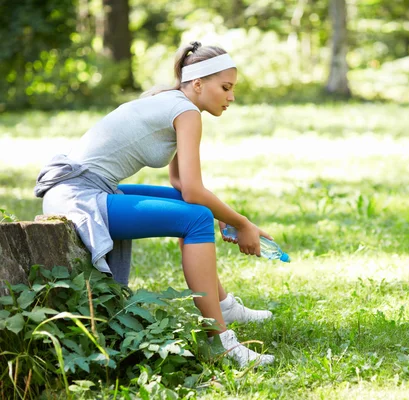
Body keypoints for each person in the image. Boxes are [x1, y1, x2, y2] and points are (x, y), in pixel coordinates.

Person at [34, 41, 275, 367]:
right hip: (80, 197)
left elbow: (180, 187)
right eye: (226, 87)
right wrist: (243, 223)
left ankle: (223, 305)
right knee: (197, 219)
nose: (231, 96)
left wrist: (225, 215)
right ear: (199, 84)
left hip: (80, 188)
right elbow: (193, 190)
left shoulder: (172, 101)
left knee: (192, 211)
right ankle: (222, 343)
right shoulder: (186, 112)